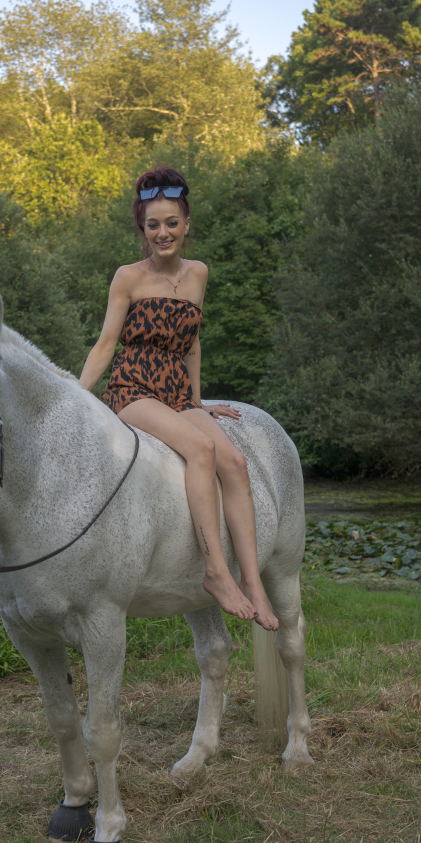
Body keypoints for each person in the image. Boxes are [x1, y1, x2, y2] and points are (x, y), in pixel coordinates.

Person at [79, 166, 278, 630]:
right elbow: (106, 344)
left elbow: (191, 344)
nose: (162, 233)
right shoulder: (128, 277)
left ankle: (253, 583)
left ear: (187, 224)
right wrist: (78, 396)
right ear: (142, 229)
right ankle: (216, 573)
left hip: (177, 391)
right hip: (133, 387)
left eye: (171, 223)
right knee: (202, 449)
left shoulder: (198, 274)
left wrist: (198, 401)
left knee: (235, 461)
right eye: (153, 225)